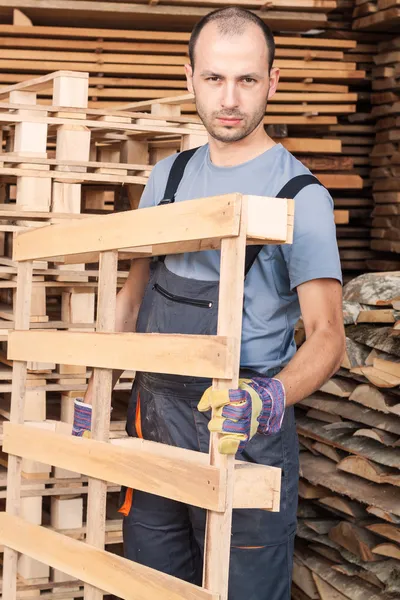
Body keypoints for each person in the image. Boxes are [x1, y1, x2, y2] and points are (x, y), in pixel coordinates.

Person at [72, 7, 345, 599]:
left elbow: (328, 335)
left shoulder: (302, 196)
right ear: (189, 78)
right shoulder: (165, 179)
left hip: (239, 423)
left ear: (272, 83)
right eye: (214, 78)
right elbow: (134, 294)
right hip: (155, 418)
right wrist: (94, 383)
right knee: (149, 584)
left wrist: (268, 396)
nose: (229, 98)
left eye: (247, 80)